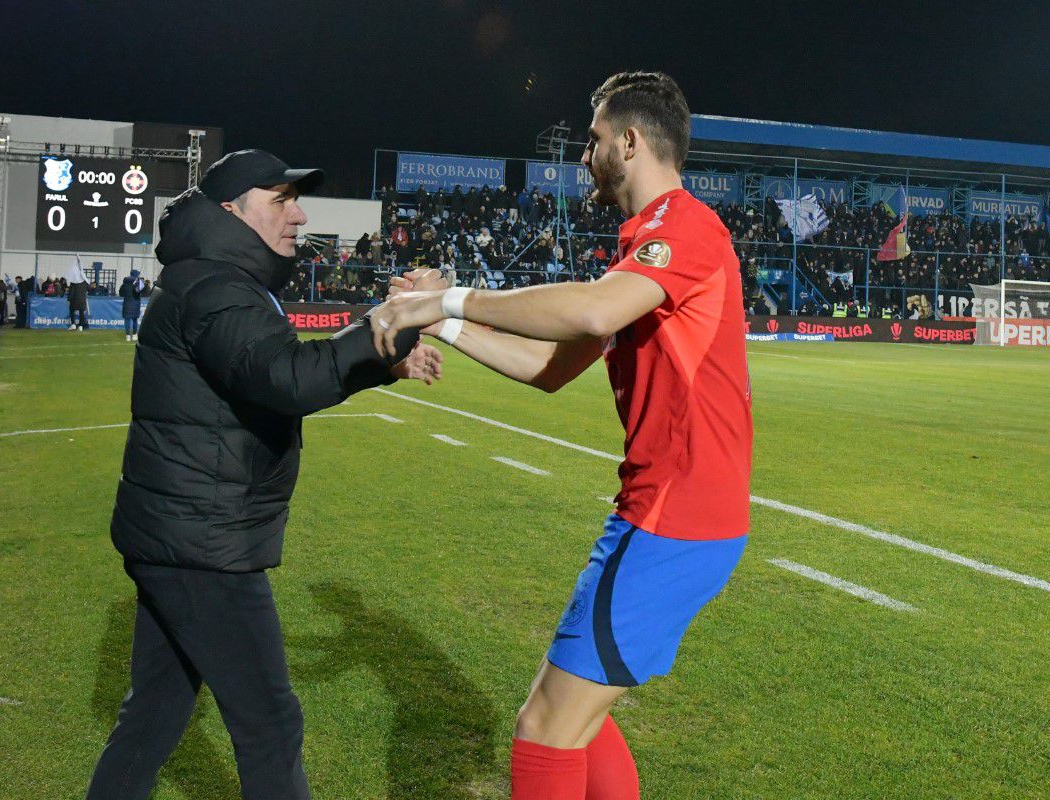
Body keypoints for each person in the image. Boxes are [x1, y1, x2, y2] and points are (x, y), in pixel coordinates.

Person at [374, 71, 752, 800]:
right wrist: (442, 320)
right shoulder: (642, 254)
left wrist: (448, 293)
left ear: (632, 142)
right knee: (582, 719)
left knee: (545, 728)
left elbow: (588, 314)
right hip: (674, 516)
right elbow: (545, 367)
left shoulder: (686, 228)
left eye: (595, 140)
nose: (584, 157)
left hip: (673, 518)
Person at [86, 149, 445, 800]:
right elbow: (287, 380)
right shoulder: (217, 287)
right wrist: (383, 324)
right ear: (232, 211)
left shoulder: (217, 280)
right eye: (280, 200)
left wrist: (376, 362)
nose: (299, 214)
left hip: (180, 533)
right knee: (270, 726)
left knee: (155, 717)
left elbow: (274, 376)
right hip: (202, 543)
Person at [118, 269, 145, 342]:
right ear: (136, 275)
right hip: (136, 303)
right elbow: (140, 291)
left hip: (127, 303)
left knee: (127, 320)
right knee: (135, 320)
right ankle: (134, 335)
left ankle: (127, 336)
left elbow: (121, 293)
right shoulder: (138, 283)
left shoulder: (125, 283)